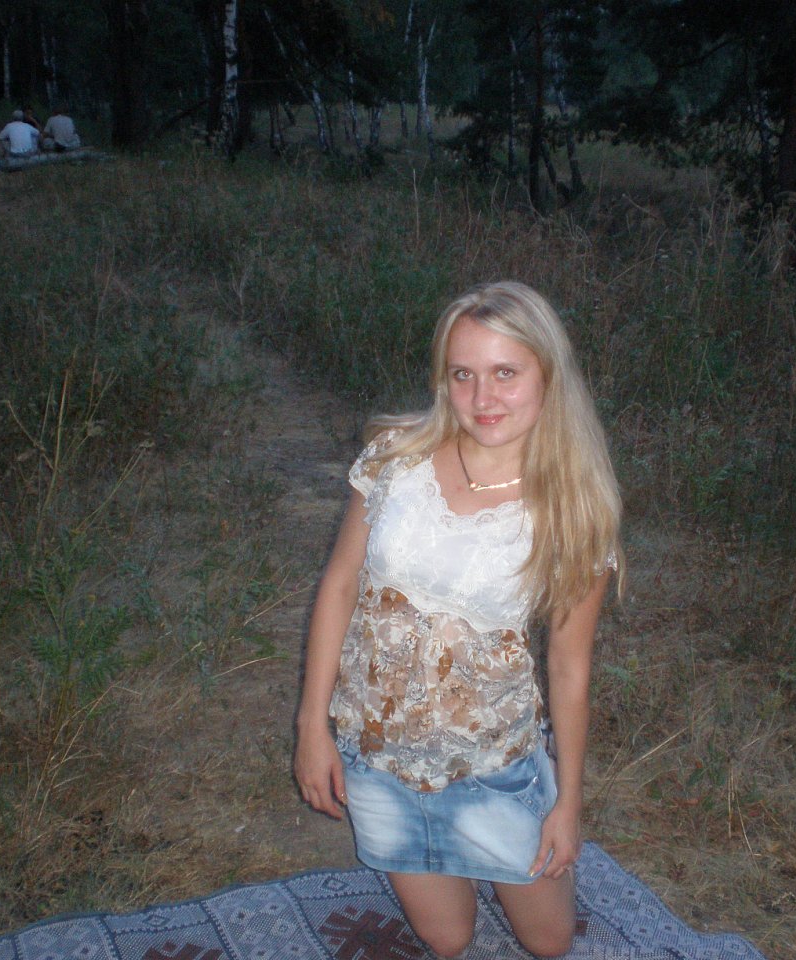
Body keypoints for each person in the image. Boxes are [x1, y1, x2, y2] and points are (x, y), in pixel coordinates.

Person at [294, 281, 623, 959]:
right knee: (446, 940)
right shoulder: (396, 458)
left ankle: (509, 840)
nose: (482, 398)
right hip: (377, 756)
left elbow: (568, 667)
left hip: (490, 766)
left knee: (549, 943)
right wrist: (311, 726)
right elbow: (340, 583)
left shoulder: (573, 513)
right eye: (463, 374)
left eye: (506, 373)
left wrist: (568, 804)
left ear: (548, 375)